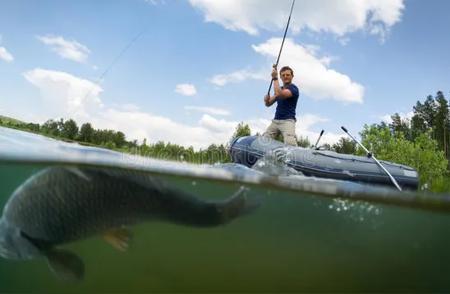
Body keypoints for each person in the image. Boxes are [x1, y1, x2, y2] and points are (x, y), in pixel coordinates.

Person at [263, 65, 299, 146]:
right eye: (283, 75)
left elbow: (280, 94)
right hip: (275, 121)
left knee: (290, 143)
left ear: (292, 76)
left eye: (288, 75)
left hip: (288, 121)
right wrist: (266, 100)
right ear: (281, 77)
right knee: (264, 141)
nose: (285, 77)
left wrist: (275, 78)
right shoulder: (279, 89)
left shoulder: (294, 89)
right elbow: (268, 104)